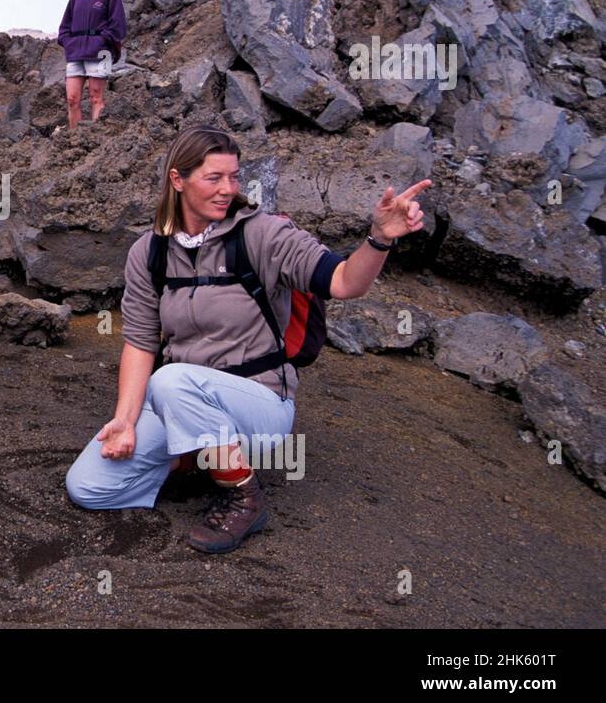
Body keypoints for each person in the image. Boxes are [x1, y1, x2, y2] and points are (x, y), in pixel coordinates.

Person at [65, 126, 430, 553]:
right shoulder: (149, 252)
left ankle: (242, 496)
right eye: (213, 178)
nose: (227, 189)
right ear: (177, 180)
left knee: (171, 381)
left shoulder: (262, 234)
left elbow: (345, 281)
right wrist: (125, 420)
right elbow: (141, 342)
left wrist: (379, 239)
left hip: (259, 403)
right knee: (88, 487)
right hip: (183, 400)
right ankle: (198, 456)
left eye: (234, 177)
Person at [57, 0, 127, 130]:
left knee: (96, 97)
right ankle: (75, 140)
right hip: (76, 53)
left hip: (99, 52)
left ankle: (95, 141)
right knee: (72, 99)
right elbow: (65, 23)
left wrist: (102, 40)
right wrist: (66, 41)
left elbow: (118, 24)